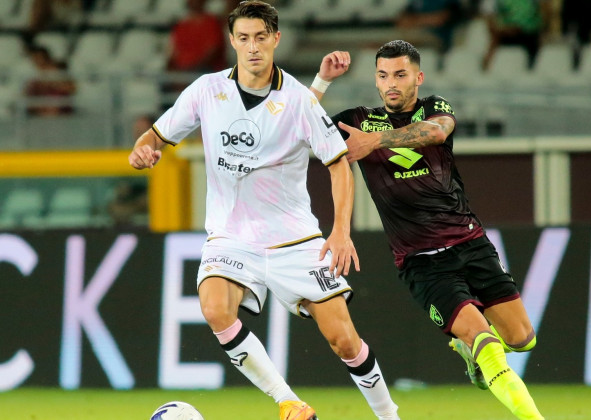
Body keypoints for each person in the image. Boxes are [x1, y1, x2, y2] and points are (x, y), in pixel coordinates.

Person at [128, 2, 400, 420]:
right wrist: (143, 149)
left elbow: (339, 165)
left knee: (344, 341)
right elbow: (158, 135)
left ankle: (390, 416)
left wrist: (340, 231)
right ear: (231, 41)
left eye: (260, 37)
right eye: (243, 38)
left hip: (294, 237)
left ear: (275, 38)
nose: (252, 47)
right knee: (216, 309)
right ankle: (289, 402)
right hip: (231, 237)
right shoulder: (205, 90)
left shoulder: (300, 101)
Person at [309, 40, 544, 419]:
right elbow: (293, 124)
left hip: (470, 241)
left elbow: (436, 132)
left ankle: (471, 352)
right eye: (384, 76)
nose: (391, 84)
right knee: (486, 341)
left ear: (417, 77)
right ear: (375, 80)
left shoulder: (434, 107)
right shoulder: (357, 120)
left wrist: (377, 142)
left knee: (521, 338)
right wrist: (321, 81)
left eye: (400, 75)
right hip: (422, 261)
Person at [479, 0, 551, 69]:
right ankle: (487, 66)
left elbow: (544, 13)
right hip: (505, 32)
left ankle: (532, 67)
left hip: (530, 33)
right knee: (495, 39)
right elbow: (490, 20)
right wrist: (505, 29)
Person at [25, 45, 76, 117]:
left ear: (45, 57)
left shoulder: (57, 69)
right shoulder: (34, 73)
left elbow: (71, 88)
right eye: (34, 58)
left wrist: (53, 84)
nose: (36, 60)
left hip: (58, 103)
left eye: (38, 58)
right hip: (42, 105)